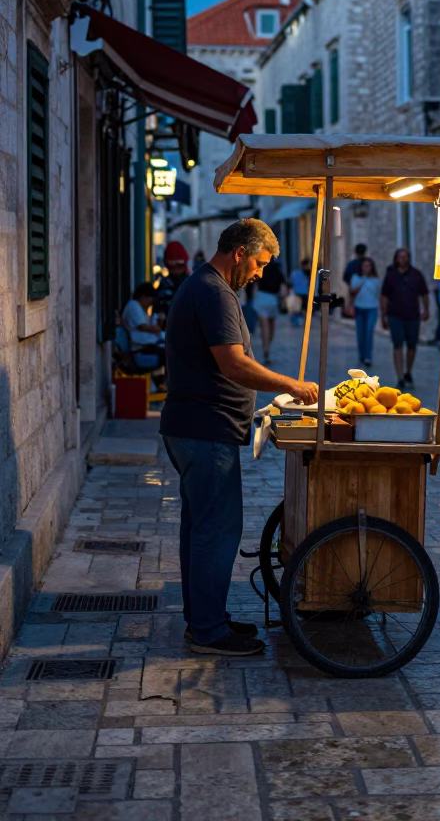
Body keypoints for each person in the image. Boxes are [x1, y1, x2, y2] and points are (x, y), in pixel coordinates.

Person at [160, 218, 318, 657]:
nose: (260, 274)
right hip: (205, 429)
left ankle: (204, 619)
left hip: (197, 427)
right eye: (260, 264)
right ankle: (209, 631)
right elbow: (233, 363)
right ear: (240, 253)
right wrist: (290, 385)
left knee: (201, 528)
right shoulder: (213, 292)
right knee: (215, 530)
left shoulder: (207, 286)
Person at [381, 248, 429, 386]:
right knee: (397, 344)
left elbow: (424, 293)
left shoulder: (416, 275)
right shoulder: (391, 276)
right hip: (395, 315)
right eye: (400, 257)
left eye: (405, 256)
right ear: (396, 259)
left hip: (413, 315)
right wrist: (383, 315)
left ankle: (408, 371)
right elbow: (384, 296)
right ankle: (400, 376)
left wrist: (426, 309)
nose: (402, 259)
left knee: (412, 345)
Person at [121, 283, 164, 369]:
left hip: (146, 345)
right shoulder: (133, 305)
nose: (150, 304)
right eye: (149, 300)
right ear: (142, 296)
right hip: (139, 348)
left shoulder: (141, 309)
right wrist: (156, 328)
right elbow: (142, 326)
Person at [253, 256, 286, 363]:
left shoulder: (259, 269)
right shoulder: (277, 270)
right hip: (272, 298)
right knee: (271, 326)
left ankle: (265, 348)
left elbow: (254, 286)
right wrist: (282, 301)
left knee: (264, 327)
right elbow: (283, 289)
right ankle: (267, 347)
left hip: (261, 297)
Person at [350, 256, 381, 367]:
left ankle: (368, 357)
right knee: (360, 333)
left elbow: (378, 293)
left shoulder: (376, 280)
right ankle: (362, 355)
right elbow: (352, 291)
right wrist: (363, 280)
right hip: (359, 308)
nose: (366, 268)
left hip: (372, 308)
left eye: (368, 266)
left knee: (369, 332)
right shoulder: (355, 278)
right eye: (364, 266)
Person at [155, 241, 191, 317]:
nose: (176, 270)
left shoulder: (191, 283)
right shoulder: (191, 282)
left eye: (179, 266)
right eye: (173, 267)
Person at [288, 257, 312, 328]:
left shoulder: (307, 273)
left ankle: (299, 321)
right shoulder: (297, 273)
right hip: (299, 293)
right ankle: (297, 321)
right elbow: (290, 283)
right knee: (298, 309)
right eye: (307, 265)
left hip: (303, 293)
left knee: (301, 309)